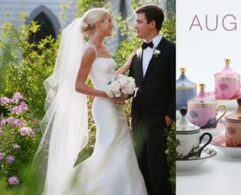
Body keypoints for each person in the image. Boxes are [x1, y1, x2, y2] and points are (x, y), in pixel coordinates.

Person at [36, 8, 147, 195]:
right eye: (109, 20)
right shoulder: (89, 51)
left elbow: (108, 77)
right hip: (104, 108)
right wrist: (107, 94)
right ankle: (75, 188)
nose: (112, 24)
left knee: (120, 149)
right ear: (98, 24)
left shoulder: (104, 48)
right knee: (109, 149)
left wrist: (127, 65)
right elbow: (79, 86)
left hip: (113, 105)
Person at [129, 4, 175, 195]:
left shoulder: (171, 50)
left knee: (157, 170)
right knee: (141, 169)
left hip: (158, 120)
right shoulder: (137, 53)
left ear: (152, 24)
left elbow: (176, 86)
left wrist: (168, 116)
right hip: (138, 120)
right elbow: (133, 85)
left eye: (139, 22)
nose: (135, 26)